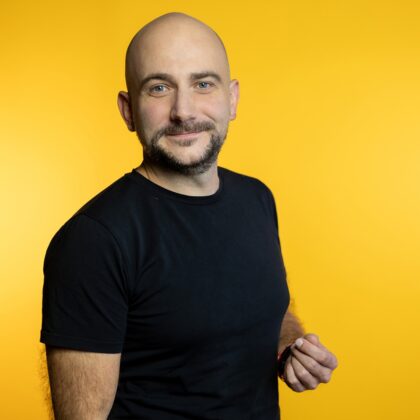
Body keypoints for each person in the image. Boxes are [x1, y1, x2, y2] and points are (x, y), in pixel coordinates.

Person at [40, 12, 338, 420]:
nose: (183, 111)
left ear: (231, 99)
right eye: (159, 88)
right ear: (128, 111)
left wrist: (289, 345)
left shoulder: (256, 198)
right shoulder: (94, 240)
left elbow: (267, 301)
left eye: (203, 84)